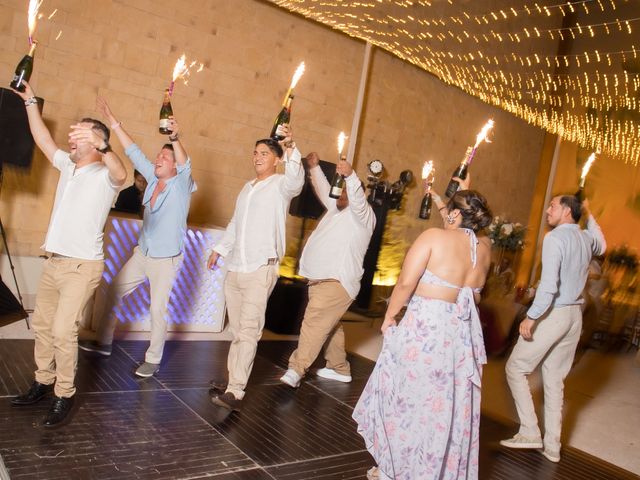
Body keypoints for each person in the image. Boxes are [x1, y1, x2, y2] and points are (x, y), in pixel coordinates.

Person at [353, 178, 493, 480]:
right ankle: (428, 469)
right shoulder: (483, 249)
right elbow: (476, 294)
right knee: (442, 405)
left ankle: (395, 467)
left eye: (449, 210)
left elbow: (406, 282)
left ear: (455, 214)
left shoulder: (433, 237)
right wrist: (450, 198)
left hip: (426, 328)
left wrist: (390, 316)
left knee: (407, 395)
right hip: (458, 333)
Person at [10, 81, 127, 427]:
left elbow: (121, 172)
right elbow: (43, 139)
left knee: (63, 330)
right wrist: (30, 101)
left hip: (82, 267)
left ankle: (65, 393)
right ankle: (42, 381)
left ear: (97, 143)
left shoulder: (107, 176)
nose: (72, 138)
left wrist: (105, 143)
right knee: (43, 326)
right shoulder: (68, 167)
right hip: (55, 261)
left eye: (81, 135)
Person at [79, 98, 196, 378]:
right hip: (142, 253)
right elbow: (132, 151)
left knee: (158, 309)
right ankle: (103, 342)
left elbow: (185, 162)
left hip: (166, 260)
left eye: (165, 158)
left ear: (175, 167)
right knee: (113, 289)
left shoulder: (181, 186)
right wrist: (112, 120)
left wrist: (175, 138)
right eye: (158, 156)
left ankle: (153, 359)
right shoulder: (153, 180)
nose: (158, 159)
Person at [500, 196, 606, 463]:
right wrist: (590, 213)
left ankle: (529, 431)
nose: (548, 210)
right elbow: (602, 245)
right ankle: (553, 447)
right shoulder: (584, 238)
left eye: (553, 206)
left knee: (515, 368)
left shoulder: (555, 238)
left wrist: (532, 317)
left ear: (567, 211)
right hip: (574, 316)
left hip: (554, 313)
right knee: (554, 380)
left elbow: (549, 285)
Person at [207, 125, 304, 410]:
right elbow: (235, 224)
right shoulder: (247, 188)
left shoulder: (282, 185)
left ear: (276, 159)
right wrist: (219, 249)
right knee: (237, 331)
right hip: (236, 267)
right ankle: (232, 380)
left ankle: (236, 391)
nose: (257, 157)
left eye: (264, 153)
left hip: (261, 268)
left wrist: (290, 148)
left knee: (249, 330)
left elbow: (297, 180)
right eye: (255, 153)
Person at [280, 153, 375, 388]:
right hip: (320, 281)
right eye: (340, 189)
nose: (341, 193)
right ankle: (339, 368)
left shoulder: (363, 216)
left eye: (346, 191)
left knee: (314, 323)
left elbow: (357, 199)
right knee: (328, 325)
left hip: (337, 282)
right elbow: (325, 189)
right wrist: (313, 168)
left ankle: (296, 369)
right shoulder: (336, 210)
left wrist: (351, 176)